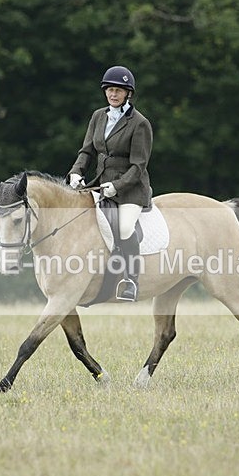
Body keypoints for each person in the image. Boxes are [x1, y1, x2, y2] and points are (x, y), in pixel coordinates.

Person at [67, 65, 153, 301]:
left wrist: (117, 186)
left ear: (128, 94)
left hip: (130, 190)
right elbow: (86, 152)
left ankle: (130, 281)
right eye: (110, 90)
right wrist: (76, 172)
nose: (113, 94)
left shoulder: (139, 123)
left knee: (125, 227)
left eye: (118, 91)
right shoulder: (98, 116)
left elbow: (138, 166)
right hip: (101, 184)